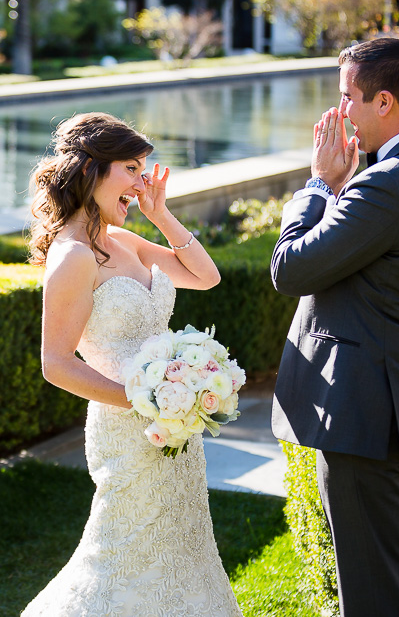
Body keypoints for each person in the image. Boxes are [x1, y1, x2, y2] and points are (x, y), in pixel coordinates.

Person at [269, 38, 399, 616]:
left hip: (365, 415)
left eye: (345, 98)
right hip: (394, 409)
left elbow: (290, 267)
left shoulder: (389, 182)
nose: (338, 114)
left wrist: (318, 185)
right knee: (390, 583)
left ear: (384, 102)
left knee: (373, 595)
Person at [21, 112, 242, 616]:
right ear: (91, 170)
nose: (142, 181)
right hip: (128, 429)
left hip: (172, 425)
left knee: (184, 546)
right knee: (121, 550)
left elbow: (206, 277)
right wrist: (143, 402)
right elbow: (55, 363)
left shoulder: (120, 242)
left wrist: (161, 213)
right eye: (131, 168)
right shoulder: (73, 256)